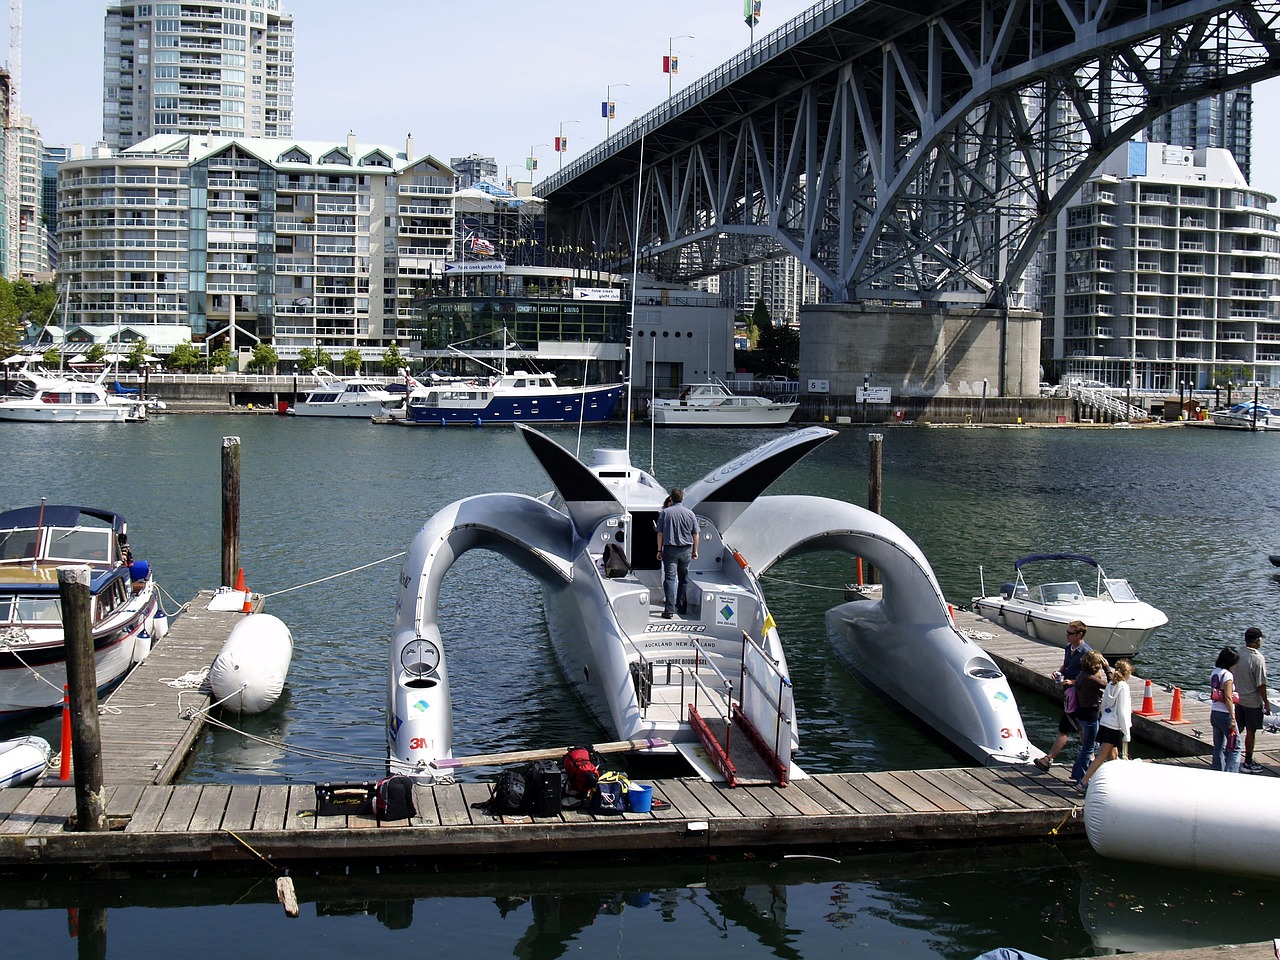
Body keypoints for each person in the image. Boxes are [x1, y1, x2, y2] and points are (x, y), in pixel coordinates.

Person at [1034, 621, 1092, 771]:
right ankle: (1091, 757)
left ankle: (1049, 758)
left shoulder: (1087, 652)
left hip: (1079, 696)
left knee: (1068, 727)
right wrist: (1059, 673)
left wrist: (1072, 681)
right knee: (1077, 728)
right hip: (1068, 695)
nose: (1067, 635)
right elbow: (1065, 666)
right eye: (1067, 632)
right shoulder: (1068, 648)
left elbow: (1091, 675)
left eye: (1070, 633)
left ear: (1080, 635)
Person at [1079, 659, 1133, 792]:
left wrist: (1105, 717)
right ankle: (1084, 782)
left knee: (1113, 755)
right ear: (1127, 673)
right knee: (1102, 755)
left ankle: (1113, 783)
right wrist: (1126, 732)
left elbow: (1103, 705)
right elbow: (1122, 711)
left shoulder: (1111, 684)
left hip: (1105, 722)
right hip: (1115, 726)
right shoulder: (1124, 687)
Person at [655, 488, 699, 619]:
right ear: (683, 499)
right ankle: (682, 607)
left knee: (670, 579)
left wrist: (659, 549)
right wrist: (695, 550)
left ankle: (669, 610)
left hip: (670, 549)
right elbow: (696, 534)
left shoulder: (665, 513)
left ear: (671, 499)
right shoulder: (690, 513)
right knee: (683, 579)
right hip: (686, 550)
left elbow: (660, 533)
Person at [1069, 650, 1109, 787]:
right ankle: (1082, 777)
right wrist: (1107, 668)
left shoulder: (1081, 675)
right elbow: (1110, 685)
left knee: (1086, 746)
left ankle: (1076, 771)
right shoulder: (1091, 679)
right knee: (1089, 748)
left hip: (1081, 713)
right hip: (1090, 716)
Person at [1235, 627, 1271, 773]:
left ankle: (1230, 754)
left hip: (1237, 699)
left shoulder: (1236, 653)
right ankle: (1248, 762)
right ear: (1257, 641)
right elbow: (1261, 684)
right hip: (1252, 702)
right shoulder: (1258, 658)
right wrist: (1266, 704)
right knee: (1251, 732)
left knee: (1238, 729)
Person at [1209, 646, 1242, 772]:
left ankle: (1217, 771)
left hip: (1215, 712)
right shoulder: (1227, 675)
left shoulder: (1215, 672)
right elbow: (1228, 697)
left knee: (1218, 747)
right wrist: (1233, 717)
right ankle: (1231, 774)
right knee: (1235, 747)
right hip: (1225, 714)